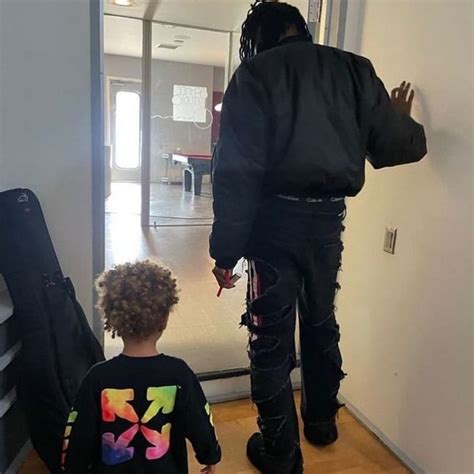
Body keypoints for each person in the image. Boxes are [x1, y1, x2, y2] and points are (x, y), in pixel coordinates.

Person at [210, 1, 427, 473]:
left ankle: (281, 455)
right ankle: (322, 423)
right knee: (320, 320)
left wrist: (224, 252)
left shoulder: (255, 75)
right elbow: (398, 146)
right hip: (328, 225)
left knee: (269, 338)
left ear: (261, 35)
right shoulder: (355, 70)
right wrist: (401, 117)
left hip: (271, 230)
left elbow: (235, 173)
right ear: (300, 28)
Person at [61, 260, 221, 474]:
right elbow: (200, 421)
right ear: (164, 320)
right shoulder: (178, 374)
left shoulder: (97, 378)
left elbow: (79, 434)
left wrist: (71, 467)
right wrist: (210, 455)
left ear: (113, 320)